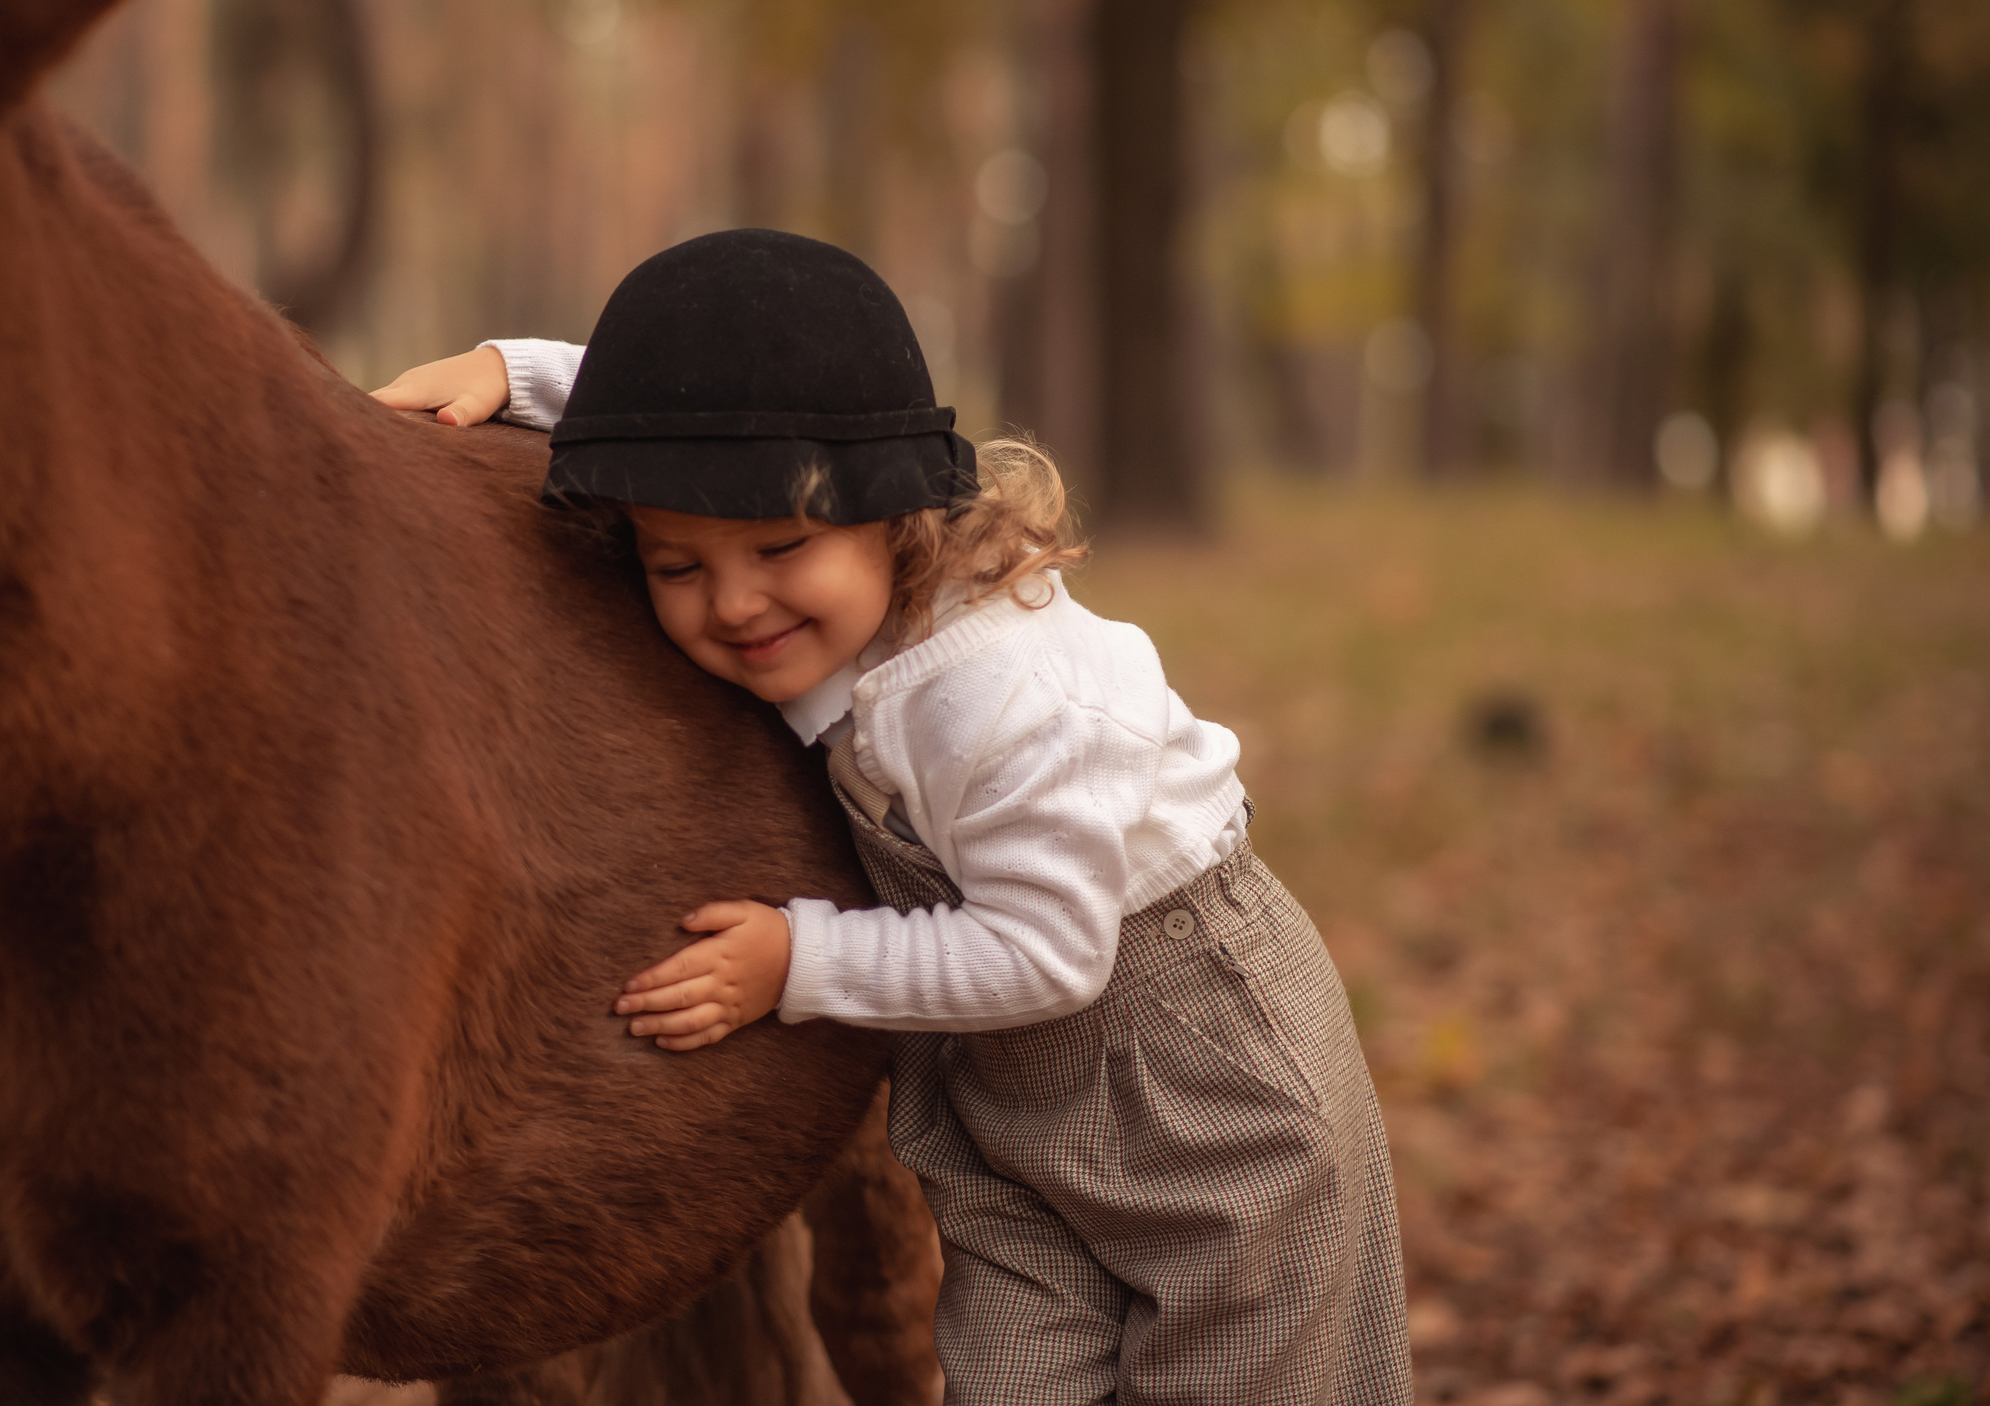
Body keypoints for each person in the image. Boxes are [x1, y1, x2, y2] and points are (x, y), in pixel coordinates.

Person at [373, 228, 1412, 1406]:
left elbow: (1051, 952)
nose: (734, 600)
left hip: (1192, 1059)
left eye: (779, 544)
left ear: (893, 506)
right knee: (1010, 1380)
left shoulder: (1004, 698)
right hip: (1004, 1092)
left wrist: (799, 959)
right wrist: (513, 374)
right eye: (675, 565)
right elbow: (700, 414)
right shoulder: (817, 594)